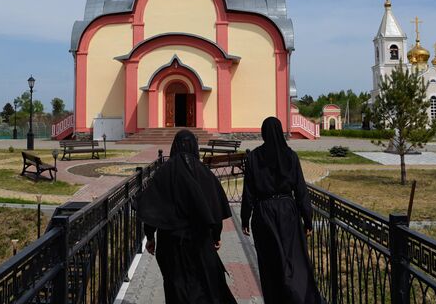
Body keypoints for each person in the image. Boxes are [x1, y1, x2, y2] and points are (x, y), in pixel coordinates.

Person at [135, 129, 237, 304]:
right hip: (199, 240)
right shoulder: (203, 172)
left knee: (177, 287)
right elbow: (213, 205)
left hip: (170, 242)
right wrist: (216, 235)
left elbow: (153, 206)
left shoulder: (164, 172)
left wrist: (150, 237)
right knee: (202, 284)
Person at [241, 117, 323, 304]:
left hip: (264, 214)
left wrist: (245, 219)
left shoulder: (254, 157)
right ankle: (297, 297)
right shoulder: (290, 156)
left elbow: (249, 192)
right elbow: (301, 190)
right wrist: (307, 219)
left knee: (270, 263)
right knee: (292, 259)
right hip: (288, 213)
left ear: (263, 133)